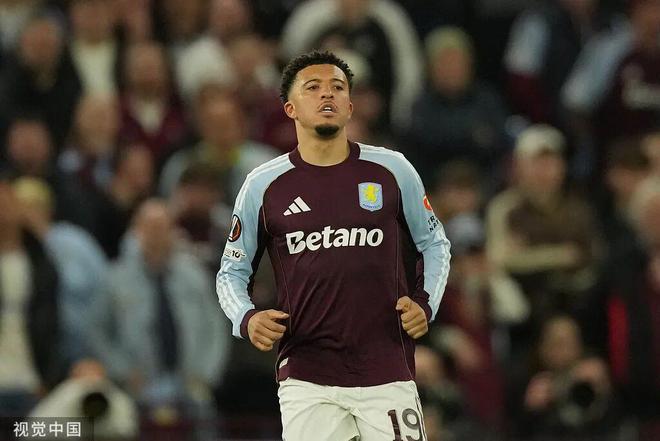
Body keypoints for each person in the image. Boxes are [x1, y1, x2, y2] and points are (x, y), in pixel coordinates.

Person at [216, 50, 451, 440]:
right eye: (313, 87)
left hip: (386, 369)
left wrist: (425, 303)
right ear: (290, 108)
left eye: (338, 87)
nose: (328, 94)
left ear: (350, 106)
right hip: (308, 376)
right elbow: (231, 271)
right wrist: (246, 318)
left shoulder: (393, 170)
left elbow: (435, 243)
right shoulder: (263, 185)